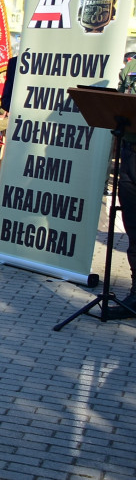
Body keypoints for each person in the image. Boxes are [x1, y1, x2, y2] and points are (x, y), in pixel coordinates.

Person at [108, 54, 136, 319]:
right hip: (130, 154)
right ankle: (135, 293)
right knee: (133, 227)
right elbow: (120, 101)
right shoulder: (132, 65)